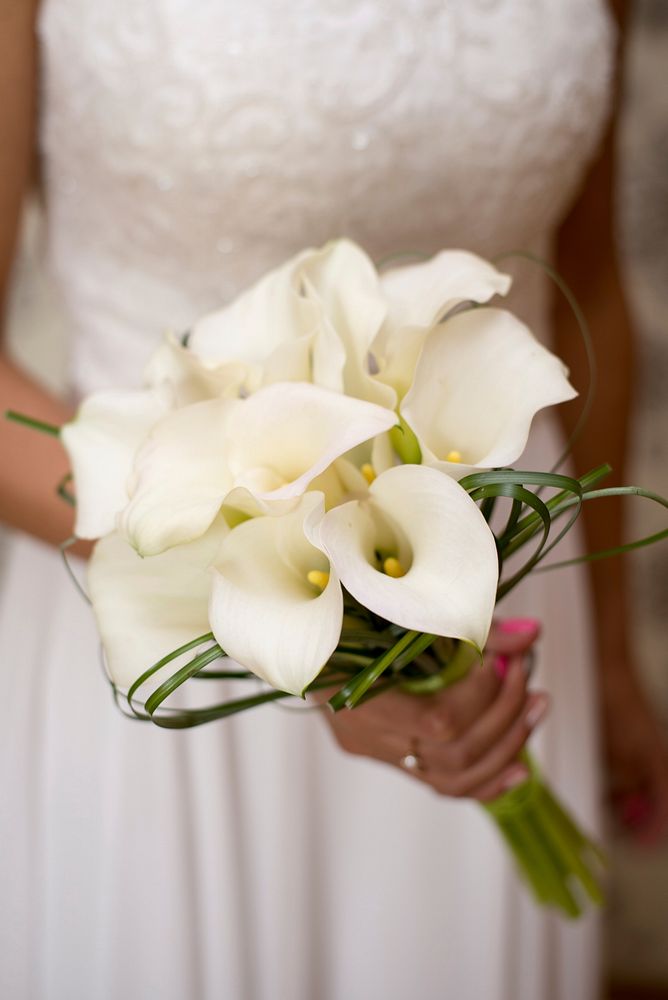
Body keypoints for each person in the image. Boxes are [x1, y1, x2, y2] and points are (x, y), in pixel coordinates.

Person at [0, 1, 666, 998]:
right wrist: (331, 651)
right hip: (180, 607)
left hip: (492, 628)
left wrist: (608, 649)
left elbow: (587, 290)